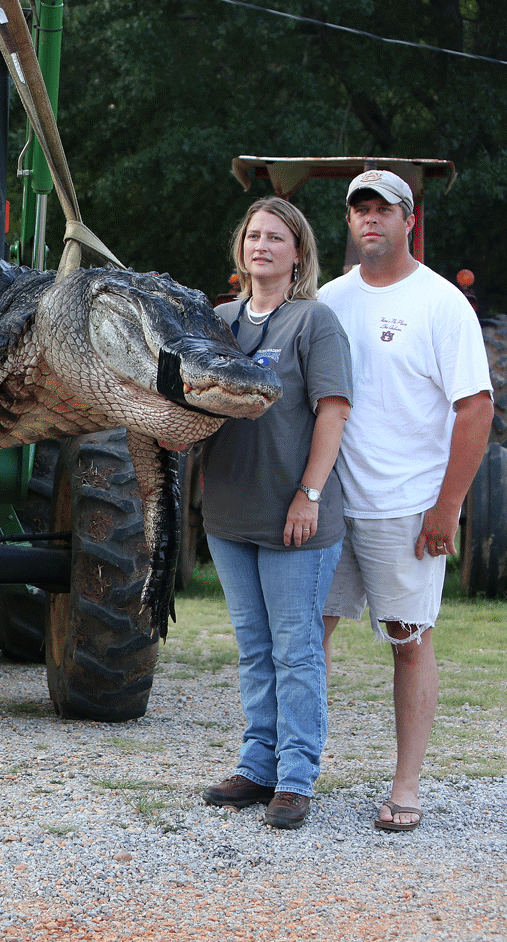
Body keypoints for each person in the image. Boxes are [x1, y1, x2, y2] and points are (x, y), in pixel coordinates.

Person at [320, 169, 493, 833]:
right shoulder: (330, 301)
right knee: (311, 634)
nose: (370, 220)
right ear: (350, 222)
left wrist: (447, 508)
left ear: (408, 219)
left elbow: (475, 411)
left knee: (409, 641)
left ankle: (406, 786)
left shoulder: (442, 304)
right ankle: (294, 772)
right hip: (333, 500)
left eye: (382, 210)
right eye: (360, 209)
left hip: (406, 505)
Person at [199, 198, 354, 830]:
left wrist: (308, 494)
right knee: (255, 648)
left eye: (276, 238)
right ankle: (257, 765)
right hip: (230, 512)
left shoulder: (315, 323)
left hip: (295, 517)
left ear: (298, 253)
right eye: (253, 236)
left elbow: (334, 412)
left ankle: (295, 778)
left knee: (296, 650)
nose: (261, 245)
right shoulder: (217, 320)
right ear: (241, 249)